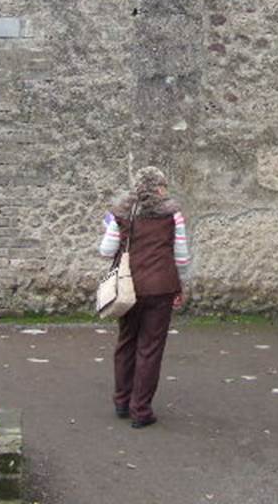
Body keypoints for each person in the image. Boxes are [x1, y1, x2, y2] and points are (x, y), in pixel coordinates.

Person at [98, 166, 190, 428]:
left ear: (137, 187)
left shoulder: (122, 213)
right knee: (150, 349)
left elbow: (106, 251)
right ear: (160, 188)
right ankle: (141, 410)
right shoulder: (173, 215)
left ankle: (121, 401)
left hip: (128, 287)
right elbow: (182, 257)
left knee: (126, 342)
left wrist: (110, 227)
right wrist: (180, 286)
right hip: (161, 288)